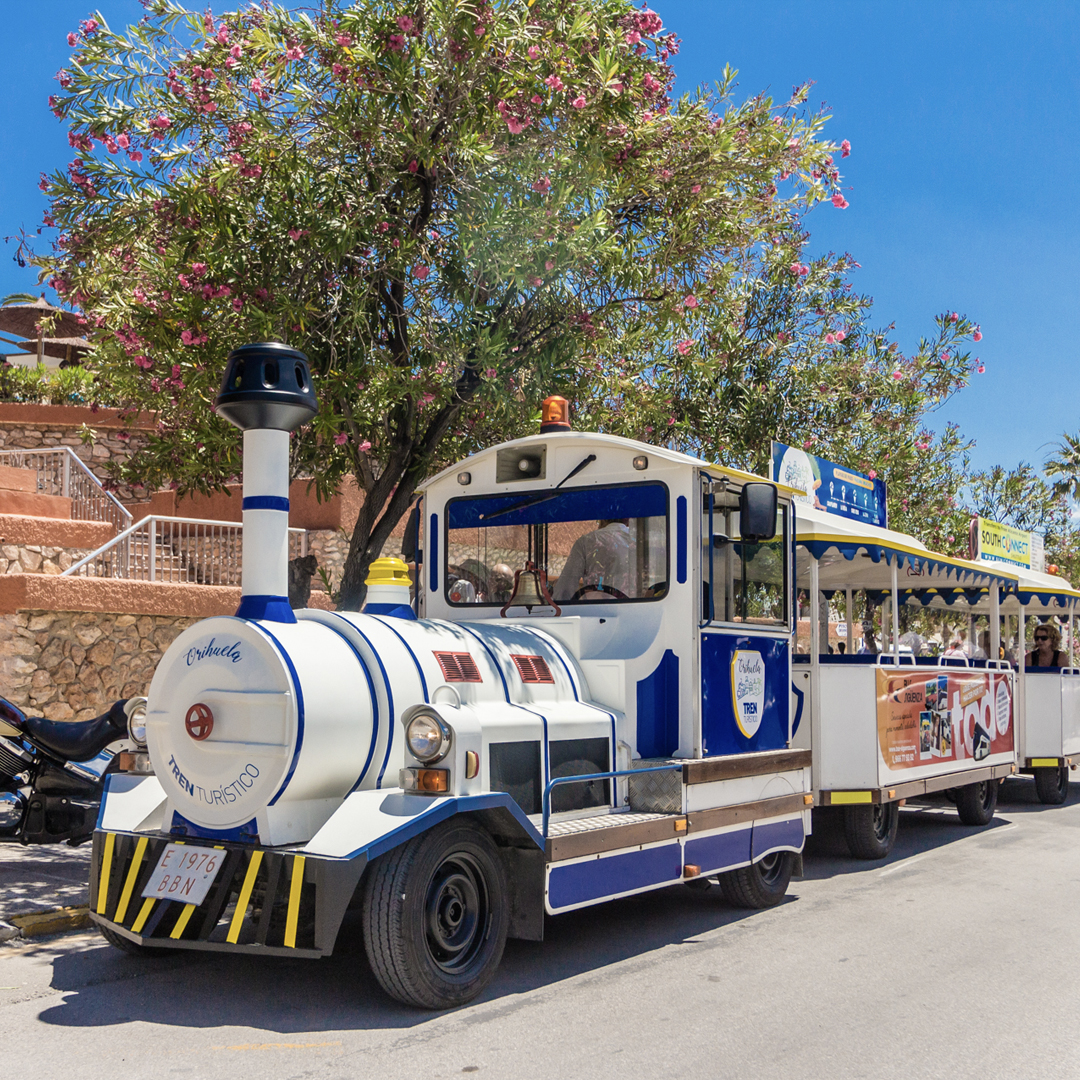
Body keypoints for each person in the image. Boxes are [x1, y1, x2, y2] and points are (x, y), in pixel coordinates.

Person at [553, 518, 635, 601]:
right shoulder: (638, 542)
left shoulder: (586, 541)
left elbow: (565, 588)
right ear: (628, 520)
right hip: (634, 610)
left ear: (602, 519)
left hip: (593, 610)